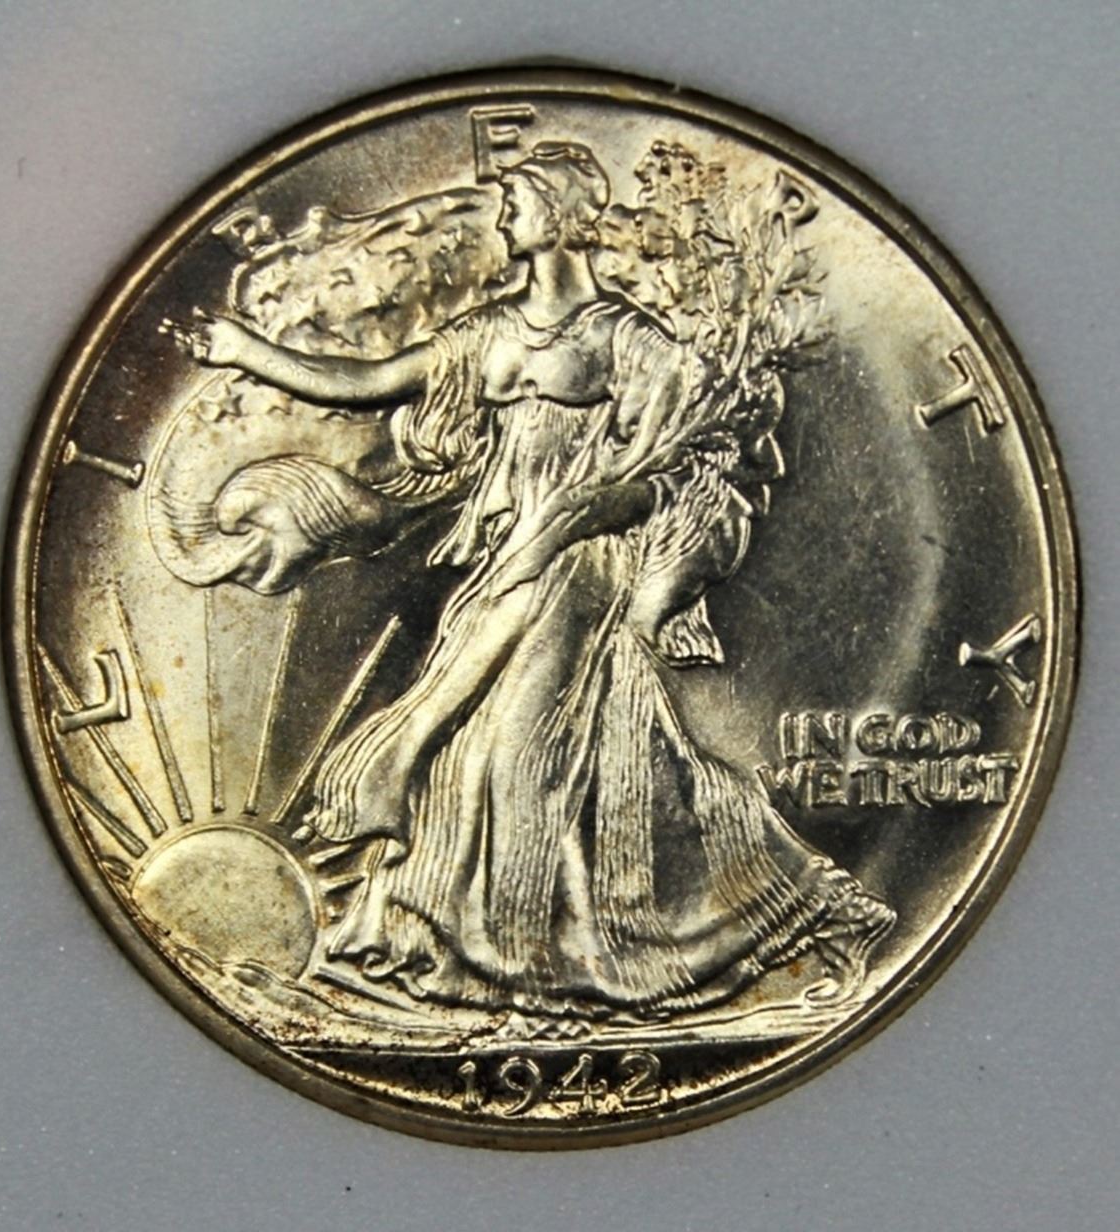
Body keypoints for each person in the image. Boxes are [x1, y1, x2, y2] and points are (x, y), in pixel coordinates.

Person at [181, 141, 894, 1020]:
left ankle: (525, 959)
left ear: (557, 217)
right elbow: (368, 382)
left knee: (520, 753)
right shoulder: (488, 332)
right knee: (477, 758)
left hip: (582, 568)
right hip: (505, 561)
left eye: (517, 203)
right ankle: (474, 952)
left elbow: (678, 468)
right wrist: (245, 351)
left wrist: (587, 512)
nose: (505, 217)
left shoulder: (627, 339)